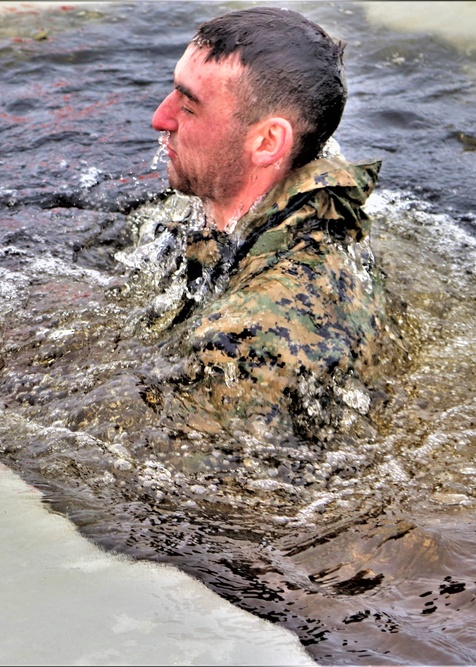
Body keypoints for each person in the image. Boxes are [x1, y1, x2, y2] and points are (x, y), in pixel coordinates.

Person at [134, 6, 409, 443]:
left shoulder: (243, 339)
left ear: (267, 142)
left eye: (188, 106)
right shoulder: (320, 203)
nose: (160, 118)